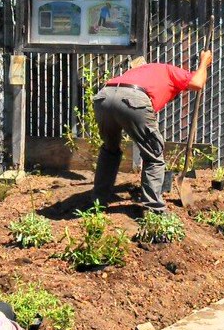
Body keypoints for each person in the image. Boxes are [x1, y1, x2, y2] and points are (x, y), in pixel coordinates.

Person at [91, 51, 212, 212]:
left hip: (103, 97)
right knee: (154, 155)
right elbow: (197, 82)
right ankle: (155, 210)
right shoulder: (169, 70)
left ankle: (97, 203)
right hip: (133, 97)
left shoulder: (139, 72)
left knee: (110, 150)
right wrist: (204, 62)